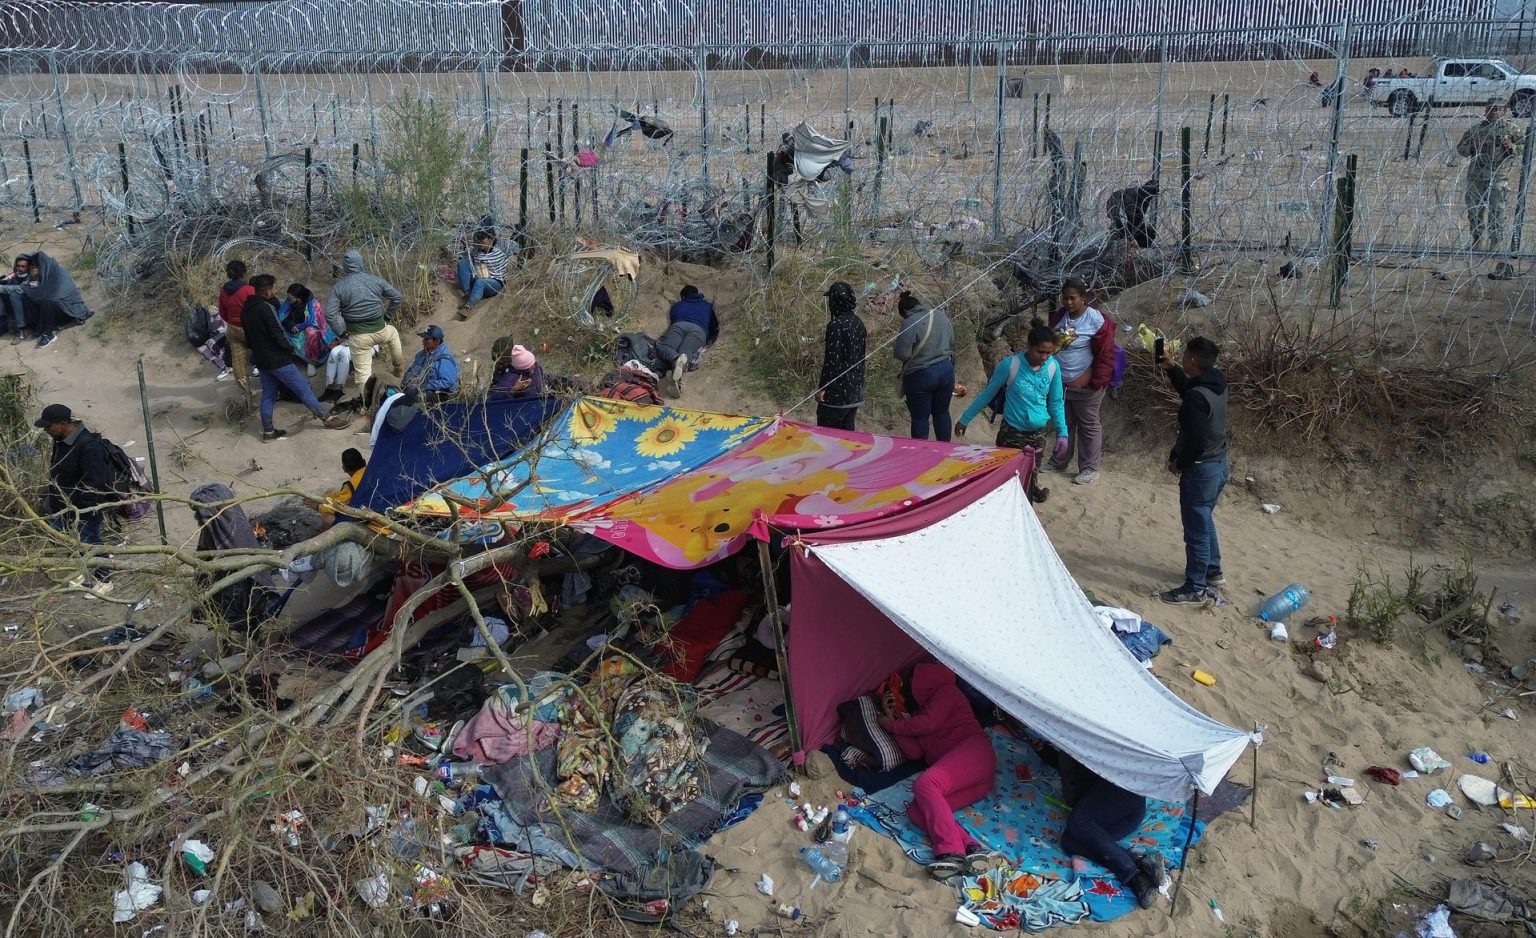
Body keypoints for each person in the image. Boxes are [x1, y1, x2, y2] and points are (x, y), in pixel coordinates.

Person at [881, 663, 995, 880]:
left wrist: (891, 725)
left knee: (925, 783)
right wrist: (892, 718)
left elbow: (927, 724)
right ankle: (973, 849)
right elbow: (914, 753)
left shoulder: (948, 692)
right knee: (916, 810)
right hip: (970, 779)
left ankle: (950, 852)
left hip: (975, 753)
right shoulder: (918, 716)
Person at [956, 319, 1068, 502]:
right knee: (1006, 476)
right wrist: (965, 419)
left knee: (1031, 474)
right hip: (1012, 431)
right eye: (1040, 352)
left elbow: (1056, 401)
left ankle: (1030, 497)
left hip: (1038, 433)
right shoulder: (1011, 365)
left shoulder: (1053, 367)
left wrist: (1063, 432)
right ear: (1029, 346)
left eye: (1049, 353)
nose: (1045, 357)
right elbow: (987, 395)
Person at [1158, 336, 1229, 604]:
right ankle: (1213, 571)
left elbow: (1195, 440)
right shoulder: (1216, 382)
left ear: (1193, 360)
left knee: (1196, 530)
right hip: (1219, 464)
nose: (1183, 358)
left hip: (1201, 470)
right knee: (1204, 519)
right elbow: (1191, 392)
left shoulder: (1197, 397)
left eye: (1185, 356)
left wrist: (1179, 463)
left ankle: (1195, 587)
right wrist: (1172, 368)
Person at [243, 274, 351, 441]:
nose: (275, 290)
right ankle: (327, 418)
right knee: (303, 389)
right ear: (266, 291)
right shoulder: (266, 308)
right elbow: (277, 332)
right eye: (273, 288)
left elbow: (248, 339)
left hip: (262, 359)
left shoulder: (246, 310)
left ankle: (269, 432)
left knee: (268, 395)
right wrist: (289, 349)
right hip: (278, 359)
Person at [1057, 753, 1164, 909]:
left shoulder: (1078, 743)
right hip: (1118, 812)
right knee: (1069, 841)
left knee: (1077, 820)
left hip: (1125, 797)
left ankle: (1134, 876)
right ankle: (1140, 860)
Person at [35, 403, 117, 594]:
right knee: (61, 539)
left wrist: (81, 508)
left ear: (63, 423)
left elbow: (98, 482)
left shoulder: (88, 446)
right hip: (63, 506)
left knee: (90, 543)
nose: (46, 430)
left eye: (48, 426)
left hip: (83, 508)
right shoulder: (61, 441)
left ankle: (104, 581)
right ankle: (77, 574)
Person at [1047, 278, 1116, 485]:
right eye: (1065, 298)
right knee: (1064, 423)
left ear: (1083, 298)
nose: (1068, 302)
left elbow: (1106, 353)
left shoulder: (1096, 321)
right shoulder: (1061, 317)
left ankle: (1089, 468)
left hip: (1086, 388)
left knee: (1088, 425)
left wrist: (1096, 382)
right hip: (1062, 386)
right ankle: (1060, 460)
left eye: (1072, 298)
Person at [325, 249, 405, 388]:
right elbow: (397, 298)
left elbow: (330, 314)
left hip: (358, 337)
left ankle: (366, 405)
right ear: (361, 263)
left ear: (345, 267)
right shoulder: (376, 281)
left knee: (363, 375)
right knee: (393, 334)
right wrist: (387, 316)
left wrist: (342, 333)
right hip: (381, 330)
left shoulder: (339, 288)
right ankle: (398, 368)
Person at [1457, 104, 1526, 251]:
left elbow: (1525, 147)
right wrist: (1472, 147)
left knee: (1497, 211)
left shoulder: (1512, 129)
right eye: (1491, 109)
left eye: (1498, 109)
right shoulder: (1477, 130)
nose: (1494, 112)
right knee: (1475, 211)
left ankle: (1495, 243)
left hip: (1498, 176)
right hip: (1476, 176)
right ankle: (1477, 241)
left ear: (1504, 111)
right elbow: (1460, 149)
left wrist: (1511, 147)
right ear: (1486, 110)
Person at [892, 291, 956, 441]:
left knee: (920, 417)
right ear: (918, 304)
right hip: (946, 370)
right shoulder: (940, 315)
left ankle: (921, 454)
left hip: (921, 375)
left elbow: (902, 354)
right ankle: (945, 450)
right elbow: (952, 340)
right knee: (942, 413)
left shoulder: (910, 322)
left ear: (905, 312)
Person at [0, 251, 93, 350]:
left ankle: (48, 334)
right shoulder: (43, 275)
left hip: (69, 310)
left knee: (45, 300)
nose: (34, 269)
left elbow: (38, 293)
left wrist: (32, 281)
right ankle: (36, 328)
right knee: (33, 298)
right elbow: (29, 291)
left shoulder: (58, 274)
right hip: (55, 309)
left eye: (36, 267)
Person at [278, 283, 349, 401]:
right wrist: (291, 325)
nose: (288, 299)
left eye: (291, 297)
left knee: (312, 333)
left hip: (310, 327)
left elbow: (315, 321)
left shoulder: (313, 304)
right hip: (294, 327)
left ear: (299, 297)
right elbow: (282, 316)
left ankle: (312, 362)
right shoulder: (289, 303)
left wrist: (299, 327)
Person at [814, 281, 867, 430]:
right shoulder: (858, 323)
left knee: (827, 437)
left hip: (836, 394)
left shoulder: (836, 325)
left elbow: (832, 361)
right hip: (855, 390)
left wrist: (822, 387)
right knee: (847, 436)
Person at [217, 260, 254, 392]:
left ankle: (245, 392)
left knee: (237, 362)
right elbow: (257, 310)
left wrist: (232, 321)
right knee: (261, 350)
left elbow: (222, 312)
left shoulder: (223, 290)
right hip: (249, 328)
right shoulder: (249, 290)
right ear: (243, 273)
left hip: (232, 329)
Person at [402, 324, 461, 401]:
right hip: (425, 387)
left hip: (444, 394)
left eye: (427, 339)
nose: (423, 341)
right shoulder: (423, 354)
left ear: (436, 341)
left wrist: (426, 385)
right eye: (423, 339)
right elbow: (415, 367)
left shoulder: (444, 359)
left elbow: (448, 382)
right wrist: (408, 377)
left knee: (417, 399)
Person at [457, 230, 511, 311]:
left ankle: (469, 306)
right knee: (463, 264)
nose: (480, 241)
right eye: (478, 238)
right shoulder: (476, 251)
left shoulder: (499, 254)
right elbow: (468, 253)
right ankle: (468, 294)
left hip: (494, 283)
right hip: (478, 280)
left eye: (482, 238)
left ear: (491, 239)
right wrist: (465, 245)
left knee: (481, 282)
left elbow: (504, 274)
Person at [653, 319, 707, 399]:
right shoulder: (709, 311)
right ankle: (677, 374)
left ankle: (674, 358)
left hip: (679, 325)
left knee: (664, 347)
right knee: (686, 353)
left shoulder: (678, 307)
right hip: (699, 331)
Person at [316, 448, 367, 530]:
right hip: (380, 512)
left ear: (344, 469)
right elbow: (342, 494)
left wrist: (318, 507)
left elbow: (337, 507)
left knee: (327, 518)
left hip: (367, 521)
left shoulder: (351, 485)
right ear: (364, 462)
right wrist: (327, 496)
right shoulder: (372, 472)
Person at [1106, 181, 1159, 248]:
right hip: (1115, 207)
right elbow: (1132, 221)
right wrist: (1130, 239)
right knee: (1121, 230)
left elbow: (1137, 220)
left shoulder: (1145, 197)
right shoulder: (1134, 197)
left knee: (1149, 233)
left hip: (1121, 211)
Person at [1, 255, 35, 344]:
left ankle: (22, 329)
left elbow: (20, 288)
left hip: (30, 304)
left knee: (14, 295)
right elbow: (8, 283)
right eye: (18, 266)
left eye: (23, 266)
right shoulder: (16, 275)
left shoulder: (32, 276)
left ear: (29, 267)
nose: (20, 268)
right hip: (15, 304)